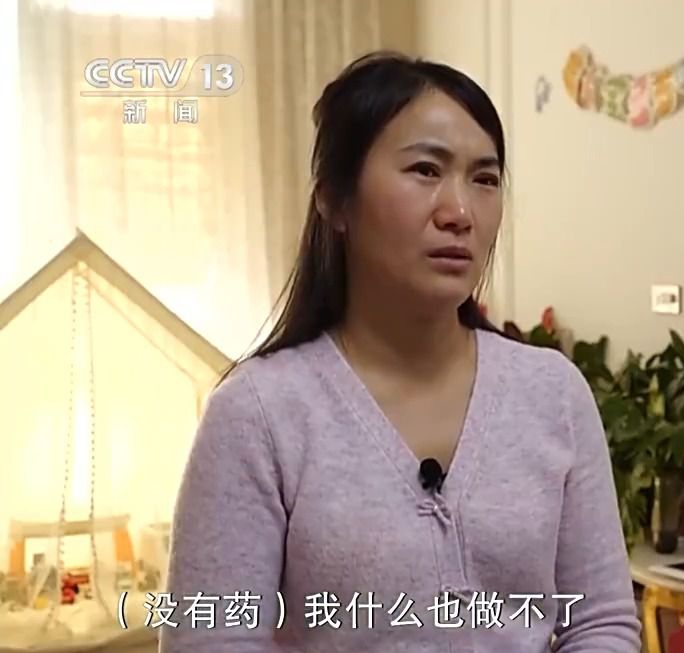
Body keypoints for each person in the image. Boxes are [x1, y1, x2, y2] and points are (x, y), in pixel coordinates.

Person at [159, 52, 641, 652]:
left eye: (484, 179)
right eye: (424, 170)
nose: (459, 212)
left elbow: (600, 623)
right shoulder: (258, 413)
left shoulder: (553, 394)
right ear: (335, 200)